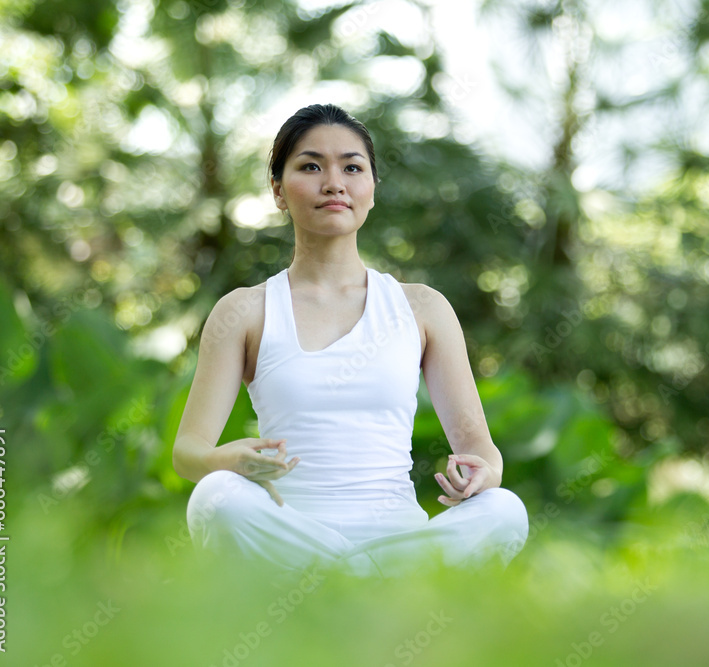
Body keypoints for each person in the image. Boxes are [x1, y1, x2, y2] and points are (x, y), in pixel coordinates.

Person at [172, 103, 529, 580]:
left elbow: (482, 452)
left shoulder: (422, 308)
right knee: (213, 499)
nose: (334, 182)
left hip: (400, 539)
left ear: (372, 190)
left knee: (505, 509)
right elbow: (189, 452)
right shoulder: (244, 310)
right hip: (291, 532)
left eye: (352, 167)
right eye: (311, 166)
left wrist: (482, 474)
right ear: (278, 190)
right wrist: (226, 461)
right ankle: (371, 581)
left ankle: (338, 579)